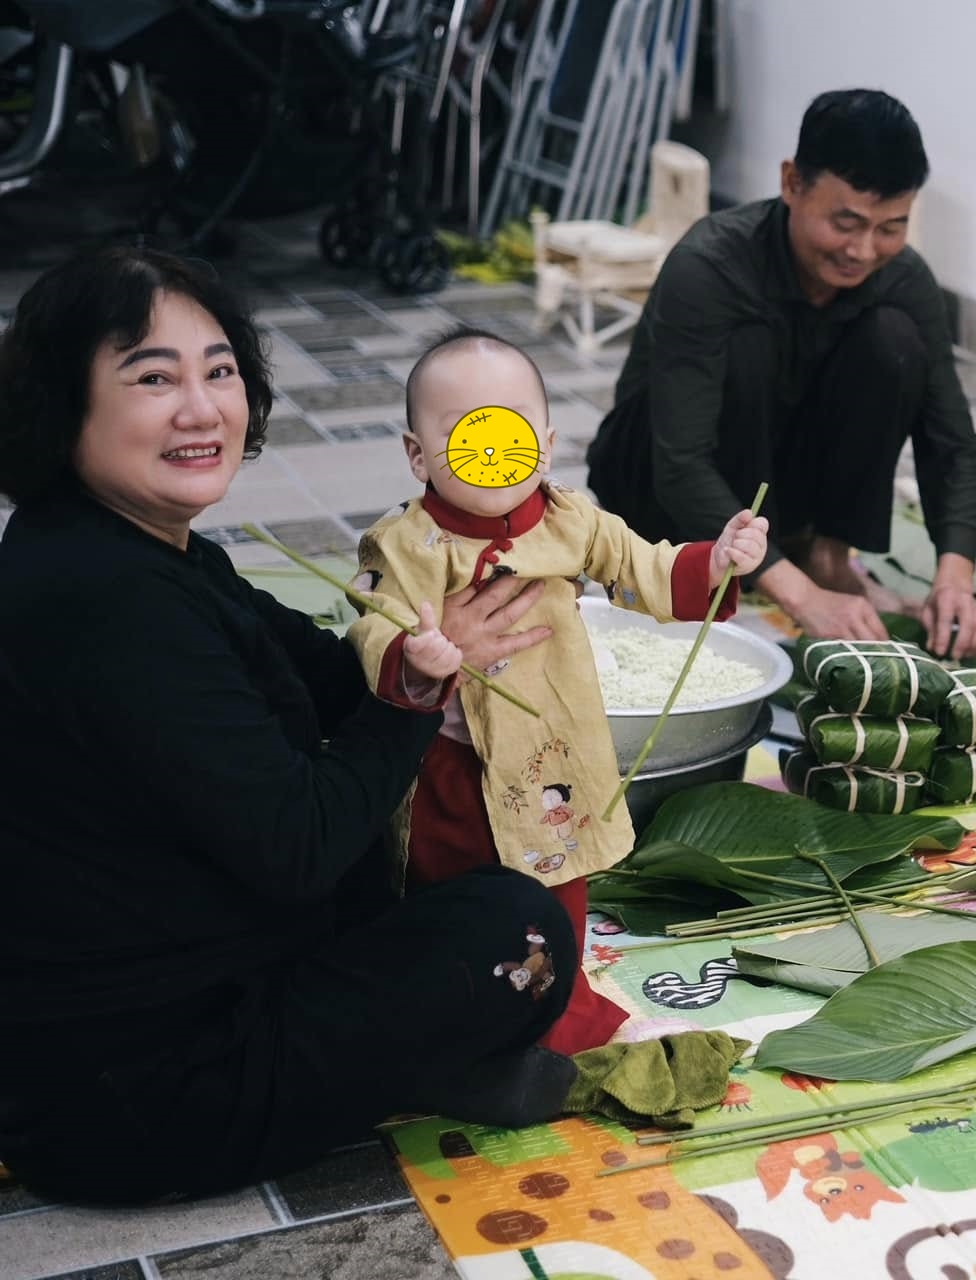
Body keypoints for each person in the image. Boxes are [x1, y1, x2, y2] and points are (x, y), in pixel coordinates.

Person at [0, 249, 580, 1204]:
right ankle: (431, 1061)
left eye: (219, 371)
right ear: (66, 406)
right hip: (141, 1094)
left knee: (437, 852)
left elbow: (322, 671)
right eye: (154, 377)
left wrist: (419, 623)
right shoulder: (106, 605)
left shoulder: (128, 548)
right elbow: (301, 844)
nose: (202, 408)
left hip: (158, 1004)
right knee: (518, 933)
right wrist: (416, 696)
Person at [349, 327, 768, 1055]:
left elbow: (649, 570)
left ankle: (559, 1007)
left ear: (542, 442)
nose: (491, 447)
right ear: (418, 454)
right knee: (452, 891)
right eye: (464, 431)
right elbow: (373, 623)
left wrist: (721, 559)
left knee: (557, 884)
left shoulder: (574, 522)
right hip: (453, 767)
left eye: (509, 427)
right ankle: (456, 1015)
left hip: (550, 761)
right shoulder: (405, 544)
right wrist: (413, 652)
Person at [585, 87, 976, 660]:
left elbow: (953, 443)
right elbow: (679, 462)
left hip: (775, 490)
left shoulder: (902, 277)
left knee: (894, 341)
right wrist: (802, 599)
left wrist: (956, 577)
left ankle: (826, 555)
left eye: (890, 227)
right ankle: (777, 571)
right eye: (845, 222)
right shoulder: (708, 267)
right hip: (659, 494)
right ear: (791, 183)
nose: (863, 249)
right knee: (750, 345)